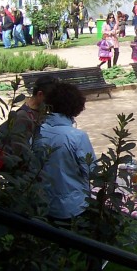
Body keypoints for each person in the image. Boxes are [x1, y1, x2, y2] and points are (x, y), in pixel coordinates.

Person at [35, 82, 96, 221]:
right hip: (73, 206)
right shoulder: (77, 136)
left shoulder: (37, 130)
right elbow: (91, 170)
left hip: (42, 203)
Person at [0, 76, 58, 170]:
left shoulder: (39, 113)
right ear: (40, 94)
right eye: (51, 99)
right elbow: (18, 154)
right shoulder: (22, 118)